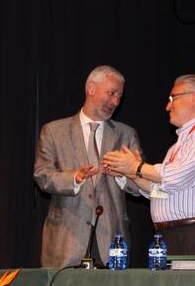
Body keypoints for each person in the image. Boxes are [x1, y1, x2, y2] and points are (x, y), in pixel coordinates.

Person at [102, 74, 195, 255]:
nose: (168, 106)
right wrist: (131, 174)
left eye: (173, 98)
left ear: (194, 98)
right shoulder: (177, 146)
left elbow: (176, 176)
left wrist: (136, 166)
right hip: (172, 235)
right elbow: (161, 191)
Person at [33, 65, 142, 268]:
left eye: (119, 96)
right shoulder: (54, 131)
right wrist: (74, 177)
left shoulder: (126, 135)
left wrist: (123, 175)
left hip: (112, 243)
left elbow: (141, 187)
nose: (116, 102)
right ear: (91, 88)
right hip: (66, 242)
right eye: (111, 93)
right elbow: (42, 175)